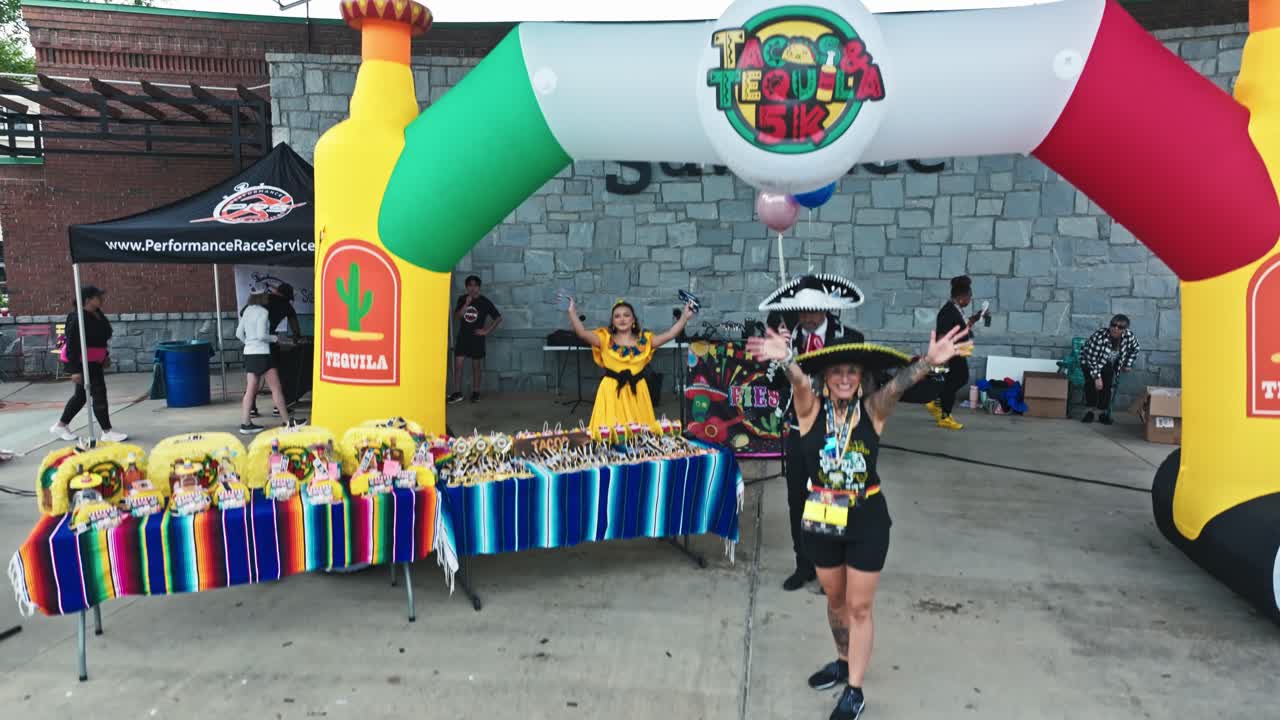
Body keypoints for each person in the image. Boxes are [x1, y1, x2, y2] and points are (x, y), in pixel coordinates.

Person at [746, 324, 973, 720]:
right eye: (837, 371)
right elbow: (798, 380)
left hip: (866, 519)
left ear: (862, 377)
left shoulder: (873, 410)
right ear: (826, 378)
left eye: (852, 371)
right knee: (834, 599)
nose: (846, 378)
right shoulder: (809, 410)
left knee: (860, 606)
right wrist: (785, 358)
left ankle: (854, 690)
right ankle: (841, 659)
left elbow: (899, 385)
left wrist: (927, 363)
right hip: (821, 518)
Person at [759, 274, 867, 592]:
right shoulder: (788, 338)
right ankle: (803, 565)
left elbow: (859, 383)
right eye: (801, 310)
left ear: (826, 309)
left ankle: (829, 570)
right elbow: (772, 384)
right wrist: (779, 358)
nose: (806, 316)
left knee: (831, 501)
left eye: (812, 309)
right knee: (798, 500)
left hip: (834, 431)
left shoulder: (851, 337)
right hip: (797, 429)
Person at [566, 296, 694, 430]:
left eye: (626, 315)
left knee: (639, 434)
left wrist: (684, 317)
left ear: (633, 320)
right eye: (617, 316)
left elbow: (670, 334)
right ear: (613, 321)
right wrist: (572, 312)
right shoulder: (604, 339)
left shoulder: (645, 341)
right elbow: (582, 333)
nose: (622, 319)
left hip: (638, 392)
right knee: (609, 432)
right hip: (611, 392)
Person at [50, 285, 128, 442]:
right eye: (98, 297)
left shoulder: (97, 314)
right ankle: (107, 432)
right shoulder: (77, 317)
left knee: (80, 396)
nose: (102, 299)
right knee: (99, 393)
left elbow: (101, 338)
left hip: (95, 361)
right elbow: (72, 344)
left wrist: (104, 355)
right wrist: (75, 370)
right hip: (83, 362)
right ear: (87, 300)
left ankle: (60, 425)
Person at [927, 275, 987, 430]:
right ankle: (944, 415)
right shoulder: (948, 311)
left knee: (954, 381)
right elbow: (942, 336)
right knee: (958, 380)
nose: (970, 299)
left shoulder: (955, 310)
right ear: (962, 297)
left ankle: (937, 403)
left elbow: (962, 328)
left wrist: (975, 318)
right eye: (969, 297)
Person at [236, 283, 292, 434]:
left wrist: (249, 343)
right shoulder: (263, 312)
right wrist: (275, 338)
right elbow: (262, 335)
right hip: (262, 354)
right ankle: (287, 422)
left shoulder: (247, 310)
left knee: (250, 389)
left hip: (249, 353)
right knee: (276, 388)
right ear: (263, 296)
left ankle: (245, 423)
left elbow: (238, 334)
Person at [250, 281, 301, 419]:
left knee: (254, 379)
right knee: (276, 381)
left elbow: (245, 314)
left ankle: (251, 409)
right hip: (267, 343)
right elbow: (295, 326)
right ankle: (278, 409)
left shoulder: (263, 300)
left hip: (252, 344)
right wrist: (296, 339)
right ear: (287, 296)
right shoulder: (286, 305)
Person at [449, 275, 503, 404]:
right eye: (470, 286)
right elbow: (457, 316)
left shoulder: (484, 301)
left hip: (476, 338)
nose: (472, 288)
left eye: (475, 286)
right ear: (466, 287)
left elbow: (498, 318)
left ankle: (476, 392)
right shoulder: (462, 299)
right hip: (463, 337)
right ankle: (457, 393)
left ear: (479, 287)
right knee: (458, 365)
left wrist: (486, 331)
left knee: (476, 366)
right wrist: (466, 304)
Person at [1079, 314, 1141, 424]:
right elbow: (1091, 358)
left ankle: (1102, 413)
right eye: (1113, 325)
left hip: (1108, 364)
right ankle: (1089, 412)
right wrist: (1097, 377)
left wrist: (1128, 364)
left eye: (1120, 327)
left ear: (1125, 329)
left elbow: (1135, 348)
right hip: (1089, 362)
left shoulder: (1129, 336)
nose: (1115, 328)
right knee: (1092, 386)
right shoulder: (1099, 336)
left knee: (1106, 388)